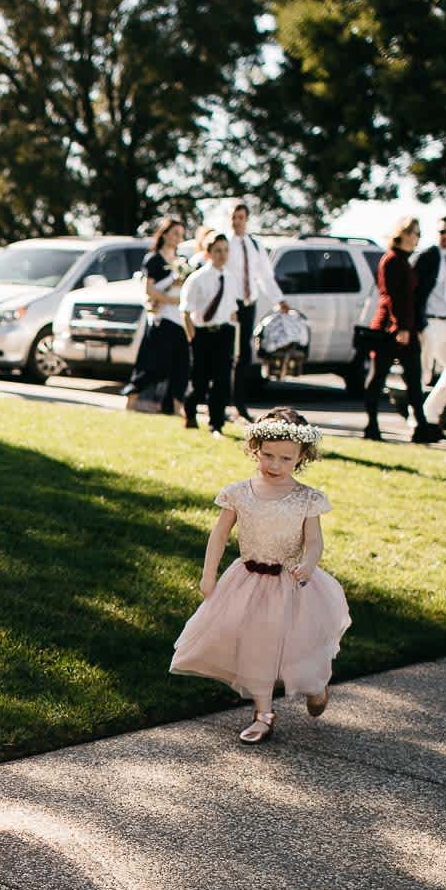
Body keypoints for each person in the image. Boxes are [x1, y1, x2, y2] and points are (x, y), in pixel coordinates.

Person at [171, 408, 349, 744]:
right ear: (255, 448)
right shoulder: (239, 492)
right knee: (255, 645)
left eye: (285, 458)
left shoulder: (306, 499)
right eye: (267, 455)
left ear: (302, 457)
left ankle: (316, 685)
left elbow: (314, 541)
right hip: (247, 581)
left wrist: (309, 565)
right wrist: (209, 575)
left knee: (297, 646)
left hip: (290, 582)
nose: (275, 464)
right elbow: (219, 535)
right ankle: (263, 714)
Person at [365, 216, 443, 443]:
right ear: (404, 234)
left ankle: (420, 426)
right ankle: (372, 425)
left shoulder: (405, 261)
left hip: (406, 326)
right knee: (378, 377)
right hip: (391, 328)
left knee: (414, 377)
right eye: (415, 233)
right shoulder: (391, 261)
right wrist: (401, 327)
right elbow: (391, 297)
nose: (418, 239)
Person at [224, 202, 288, 419]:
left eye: (241, 217)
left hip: (247, 304)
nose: (237, 221)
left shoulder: (254, 245)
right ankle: (220, 404)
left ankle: (240, 405)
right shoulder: (225, 244)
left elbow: (265, 276)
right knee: (225, 354)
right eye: (234, 217)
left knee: (243, 355)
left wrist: (279, 300)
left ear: (246, 219)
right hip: (229, 305)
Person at [413, 215, 446, 437]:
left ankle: (430, 414)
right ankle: (418, 422)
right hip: (430, 321)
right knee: (423, 373)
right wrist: (420, 324)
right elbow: (415, 292)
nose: (445, 237)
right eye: (442, 232)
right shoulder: (427, 257)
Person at [181, 230, 238, 435]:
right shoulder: (198, 278)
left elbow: (232, 313)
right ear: (208, 253)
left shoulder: (231, 278)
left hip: (223, 333)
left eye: (225, 250)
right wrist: (192, 337)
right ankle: (189, 411)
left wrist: (235, 343)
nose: (222, 255)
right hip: (203, 334)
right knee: (200, 382)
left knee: (222, 381)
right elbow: (186, 311)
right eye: (217, 251)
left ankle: (216, 424)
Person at [132, 217, 191, 415]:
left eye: (181, 235)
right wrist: (168, 296)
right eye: (174, 233)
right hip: (161, 316)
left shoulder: (182, 260)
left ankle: (175, 405)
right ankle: (135, 400)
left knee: (181, 363)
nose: (177, 238)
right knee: (154, 361)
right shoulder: (154, 259)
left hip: (179, 318)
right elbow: (149, 289)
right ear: (164, 234)